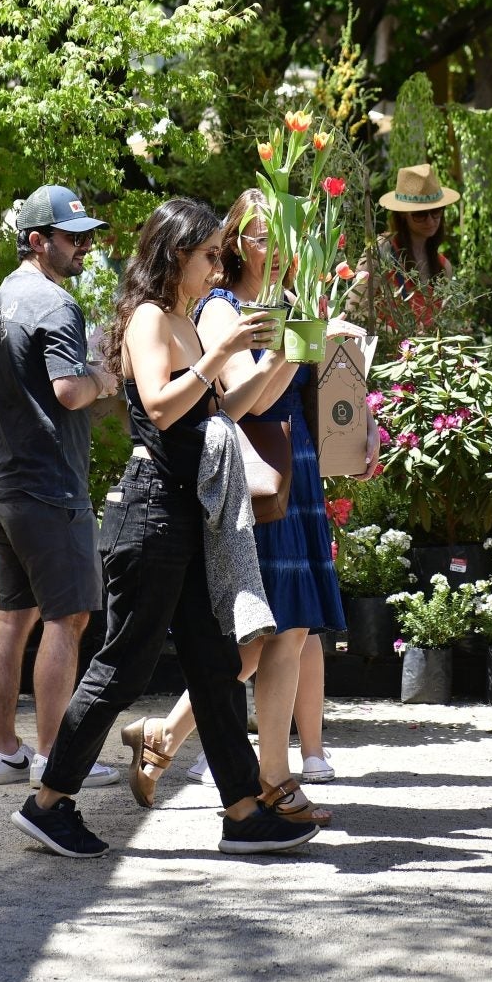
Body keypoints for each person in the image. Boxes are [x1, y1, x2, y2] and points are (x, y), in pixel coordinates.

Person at [16, 199, 317, 860]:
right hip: (150, 513)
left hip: (180, 510)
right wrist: (222, 353)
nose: (219, 263)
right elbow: (158, 402)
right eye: (209, 253)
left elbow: (219, 415)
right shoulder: (152, 318)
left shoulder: (181, 318)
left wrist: (275, 359)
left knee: (214, 663)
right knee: (122, 664)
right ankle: (48, 801)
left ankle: (242, 809)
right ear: (175, 254)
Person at [120, 191, 343, 821]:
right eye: (262, 236)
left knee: (285, 632)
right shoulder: (223, 309)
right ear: (238, 242)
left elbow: (305, 394)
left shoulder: (289, 305)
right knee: (263, 635)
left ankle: (182, 745)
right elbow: (235, 404)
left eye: (288, 235)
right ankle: (267, 781)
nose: (277, 248)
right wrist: (282, 352)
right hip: (250, 471)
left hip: (291, 470)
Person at [0, 185, 122, 792]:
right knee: (68, 619)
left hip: (4, 482)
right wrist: (107, 379)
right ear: (38, 241)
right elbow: (68, 389)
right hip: (50, 488)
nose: (85, 245)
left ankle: (3, 753)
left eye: (87, 234)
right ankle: (53, 760)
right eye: (73, 236)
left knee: (13, 618)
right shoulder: (56, 305)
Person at [377, 164, 458, 332]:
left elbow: (441, 323)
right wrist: (399, 335)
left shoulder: (444, 267)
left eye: (436, 211)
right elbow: (356, 310)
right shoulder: (381, 250)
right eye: (420, 214)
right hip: (386, 355)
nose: (430, 221)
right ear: (402, 214)